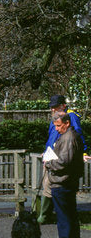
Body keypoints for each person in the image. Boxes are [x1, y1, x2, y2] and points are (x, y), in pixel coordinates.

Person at [35, 95, 88, 224]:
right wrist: (46, 151)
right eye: (52, 107)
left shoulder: (71, 117)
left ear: (63, 105)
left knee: (50, 184)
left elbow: (78, 135)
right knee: (46, 184)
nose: (53, 110)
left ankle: (44, 216)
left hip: (60, 156)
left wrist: (83, 152)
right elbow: (52, 137)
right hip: (50, 154)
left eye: (56, 107)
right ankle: (46, 215)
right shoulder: (56, 118)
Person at [43, 110, 83, 238]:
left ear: (67, 123)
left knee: (64, 219)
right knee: (71, 218)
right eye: (55, 126)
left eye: (59, 126)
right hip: (67, 183)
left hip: (62, 183)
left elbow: (64, 161)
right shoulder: (70, 136)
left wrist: (49, 163)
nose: (57, 129)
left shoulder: (68, 138)